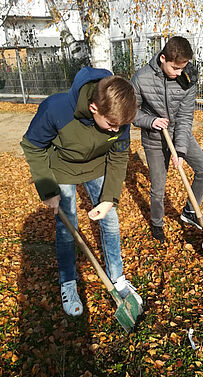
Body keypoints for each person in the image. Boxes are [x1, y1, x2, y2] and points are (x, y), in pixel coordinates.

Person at [21, 66, 143, 317]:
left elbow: (119, 158)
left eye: (119, 126)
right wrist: (48, 190)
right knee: (67, 228)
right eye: (111, 125)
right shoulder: (56, 109)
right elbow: (32, 146)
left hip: (98, 168)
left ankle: (117, 278)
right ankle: (68, 282)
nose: (115, 130)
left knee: (110, 219)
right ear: (94, 107)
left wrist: (109, 198)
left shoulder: (119, 117)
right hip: (63, 169)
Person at [131, 36, 203, 243]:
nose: (179, 73)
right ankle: (157, 224)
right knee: (158, 186)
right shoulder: (141, 78)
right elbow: (130, 112)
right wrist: (151, 121)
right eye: (175, 68)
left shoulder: (187, 77)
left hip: (179, 131)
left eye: (182, 68)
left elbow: (186, 116)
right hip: (154, 138)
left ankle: (189, 212)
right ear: (163, 59)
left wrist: (181, 150)